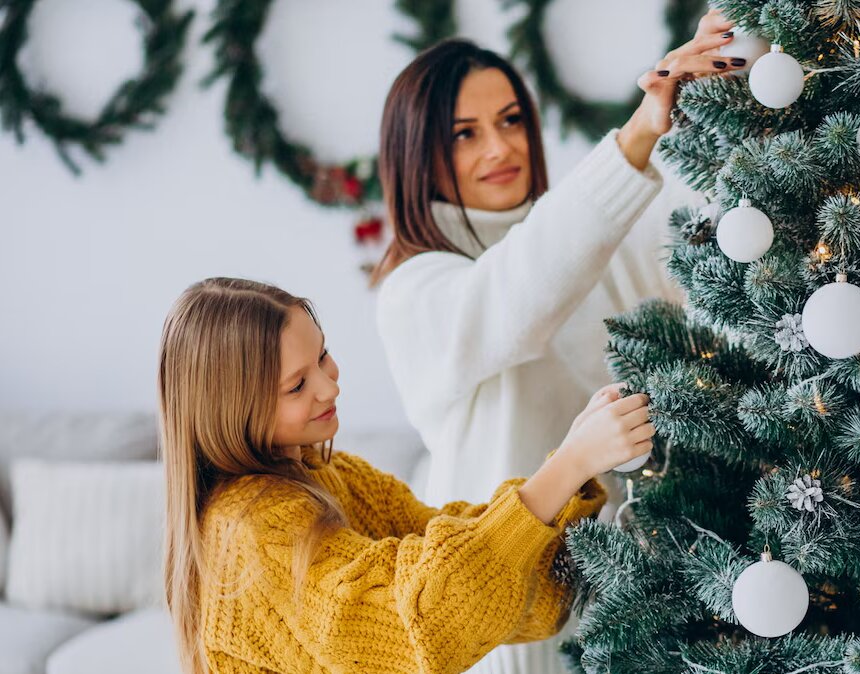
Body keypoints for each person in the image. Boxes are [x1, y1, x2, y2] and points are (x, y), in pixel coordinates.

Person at [372, 13, 739, 672]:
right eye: (465, 134)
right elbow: (520, 292)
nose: (500, 149)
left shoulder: (578, 233)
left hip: (637, 597)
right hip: (510, 624)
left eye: (512, 120)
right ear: (415, 152)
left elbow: (684, 222)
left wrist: (722, 70)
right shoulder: (415, 289)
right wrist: (636, 133)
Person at [160, 277, 654, 674]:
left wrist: (568, 473)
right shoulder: (250, 530)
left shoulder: (333, 473)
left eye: (323, 356)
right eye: (297, 384)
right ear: (232, 410)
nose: (329, 386)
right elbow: (420, 622)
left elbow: (461, 559)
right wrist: (566, 466)